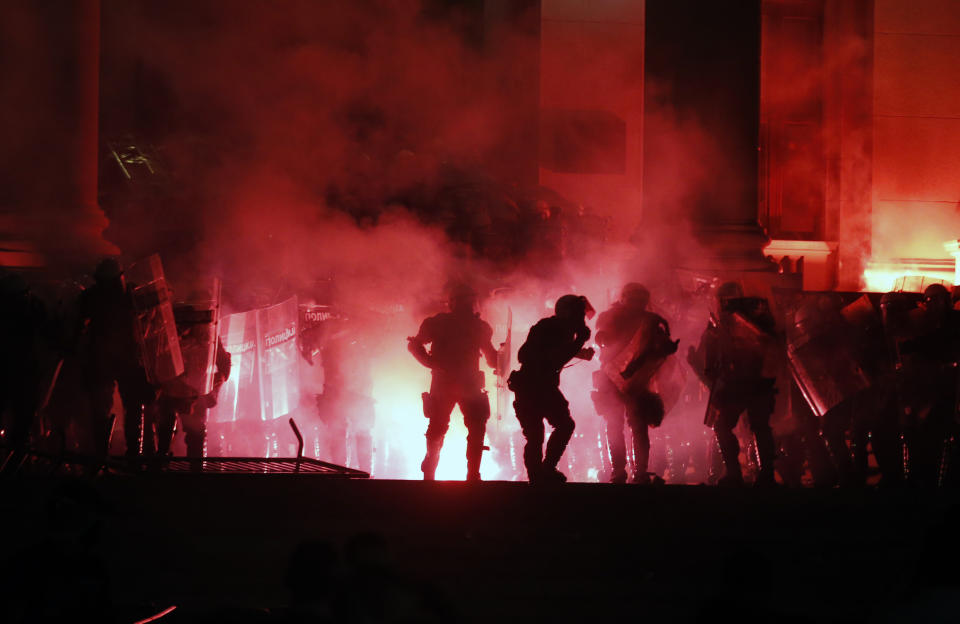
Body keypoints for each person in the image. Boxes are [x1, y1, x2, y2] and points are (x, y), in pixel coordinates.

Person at [408, 285, 498, 481]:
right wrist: (432, 363)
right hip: (447, 382)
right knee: (440, 428)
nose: (468, 305)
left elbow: (491, 357)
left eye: (469, 300)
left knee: (474, 427)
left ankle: (471, 474)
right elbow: (415, 345)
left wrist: (501, 360)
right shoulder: (439, 323)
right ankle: (432, 469)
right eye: (465, 300)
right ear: (454, 302)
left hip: (466, 382)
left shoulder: (477, 326)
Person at [592, 283, 678, 483]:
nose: (637, 304)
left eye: (641, 300)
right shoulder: (610, 317)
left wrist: (665, 347)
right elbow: (601, 337)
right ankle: (618, 471)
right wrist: (604, 339)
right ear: (623, 298)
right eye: (634, 299)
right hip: (611, 377)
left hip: (636, 380)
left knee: (638, 425)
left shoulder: (650, 321)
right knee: (614, 424)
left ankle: (640, 471)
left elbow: (659, 345)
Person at [695, 282, 778, 487]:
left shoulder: (757, 316)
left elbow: (769, 343)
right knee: (723, 426)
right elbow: (711, 348)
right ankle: (734, 472)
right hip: (733, 382)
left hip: (757, 380)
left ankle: (765, 473)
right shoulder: (718, 321)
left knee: (759, 427)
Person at [509, 294, 595, 483]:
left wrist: (578, 350)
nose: (581, 318)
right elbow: (538, 356)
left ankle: (544, 471)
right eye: (578, 313)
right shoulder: (548, 327)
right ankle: (538, 475)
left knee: (555, 428)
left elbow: (555, 352)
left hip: (541, 386)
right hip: (532, 386)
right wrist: (578, 343)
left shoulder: (560, 329)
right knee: (537, 433)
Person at [77, 258, 155, 461]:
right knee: (129, 406)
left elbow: (79, 324)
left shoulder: (94, 296)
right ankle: (130, 455)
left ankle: (105, 455)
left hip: (109, 358)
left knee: (107, 408)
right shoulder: (131, 294)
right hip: (121, 358)